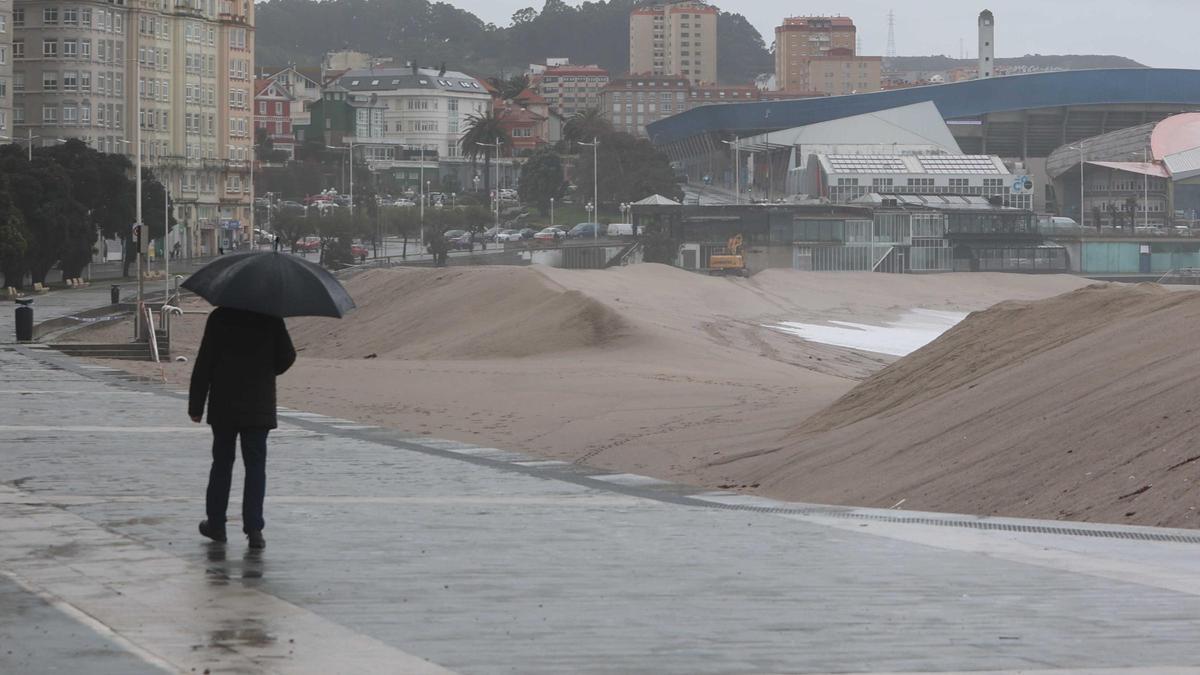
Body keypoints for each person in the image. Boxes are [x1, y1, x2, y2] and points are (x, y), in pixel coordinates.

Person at [189, 307, 296, 549]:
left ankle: (216, 524)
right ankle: (255, 529)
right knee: (256, 467)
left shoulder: (220, 317)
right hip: (258, 405)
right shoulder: (271, 317)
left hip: (224, 404)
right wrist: (267, 368)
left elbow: (205, 361)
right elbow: (287, 357)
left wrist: (196, 405)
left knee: (222, 464)